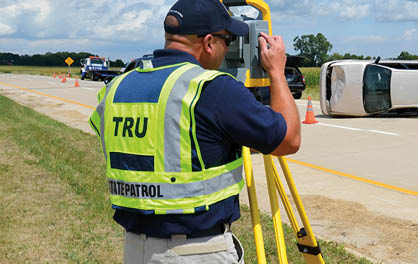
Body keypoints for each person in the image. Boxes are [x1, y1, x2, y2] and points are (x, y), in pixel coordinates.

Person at [88, 0, 300, 263]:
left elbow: (169, 139)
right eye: (228, 40)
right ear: (209, 42)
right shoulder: (212, 90)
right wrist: (277, 72)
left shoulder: (117, 87)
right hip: (196, 252)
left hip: (136, 250)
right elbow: (289, 139)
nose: (228, 48)